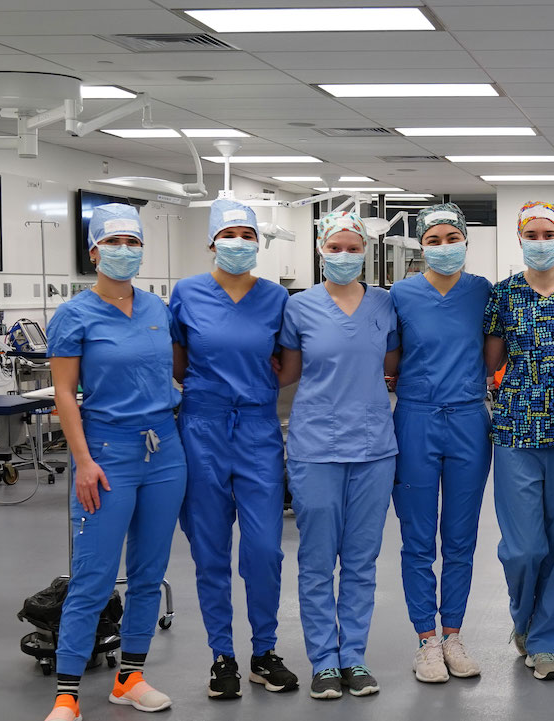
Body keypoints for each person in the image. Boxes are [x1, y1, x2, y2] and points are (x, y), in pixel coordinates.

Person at [44, 204, 187, 721]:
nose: (125, 252)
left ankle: (130, 677)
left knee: (149, 574)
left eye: (133, 243)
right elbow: (63, 393)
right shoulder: (74, 315)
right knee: (94, 577)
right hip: (105, 454)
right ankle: (66, 695)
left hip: (165, 452)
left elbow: (175, 374)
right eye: (115, 243)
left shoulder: (156, 309)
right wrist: (81, 461)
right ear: (94, 252)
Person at [170, 199, 298, 699]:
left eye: (248, 234)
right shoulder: (187, 293)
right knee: (210, 548)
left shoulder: (275, 299)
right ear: (211, 242)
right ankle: (222, 655)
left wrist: (256, 394)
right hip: (202, 426)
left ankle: (264, 651)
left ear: (259, 244)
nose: (239, 243)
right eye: (230, 234)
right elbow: (178, 365)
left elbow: (288, 365)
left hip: (258, 428)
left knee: (265, 547)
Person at [276, 211, 400, 700]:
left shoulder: (384, 305)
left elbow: (389, 366)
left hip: (373, 447)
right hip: (315, 448)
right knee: (316, 558)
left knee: (362, 560)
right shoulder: (299, 308)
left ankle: (355, 656)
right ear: (321, 251)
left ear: (366, 252)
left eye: (353, 248)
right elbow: (286, 370)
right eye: (336, 247)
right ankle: (324, 661)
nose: (344, 255)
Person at [484, 201, 554, 681]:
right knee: (524, 548)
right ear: (519, 238)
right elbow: (489, 361)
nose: (539, 240)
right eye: (530, 234)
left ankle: (546, 643)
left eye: (547, 232)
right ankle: (521, 616)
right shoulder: (502, 295)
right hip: (515, 431)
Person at [391, 202, 492, 683]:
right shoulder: (402, 296)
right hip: (416, 418)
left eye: (453, 238)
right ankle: (425, 641)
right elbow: (390, 360)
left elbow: (494, 353)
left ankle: (452, 634)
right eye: (434, 240)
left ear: (466, 242)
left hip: (470, 418)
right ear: (420, 246)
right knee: (416, 537)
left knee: (460, 537)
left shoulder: (482, 293)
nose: (444, 247)